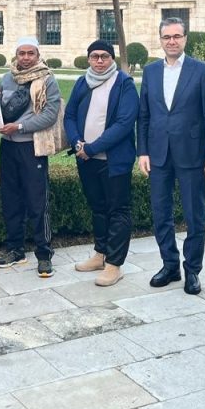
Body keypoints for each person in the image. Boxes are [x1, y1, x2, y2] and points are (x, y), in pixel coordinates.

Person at [137, 17, 205, 296]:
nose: (171, 41)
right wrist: (143, 151)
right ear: (160, 40)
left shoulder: (201, 71)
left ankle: (193, 270)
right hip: (158, 154)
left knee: (194, 215)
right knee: (161, 213)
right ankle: (170, 264)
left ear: (186, 38)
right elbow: (144, 115)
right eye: (166, 37)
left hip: (192, 154)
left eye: (176, 36)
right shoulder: (150, 72)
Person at [63, 40, 139, 287]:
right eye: (94, 56)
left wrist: (92, 148)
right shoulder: (82, 82)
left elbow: (124, 123)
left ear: (112, 58)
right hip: (86, 159)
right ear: (88, 59)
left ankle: (114, 265)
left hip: (114, 161)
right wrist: (77, 143)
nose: (99, 61)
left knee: (118, 210)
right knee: (97, 207)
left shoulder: (124, 84)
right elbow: (70, 114)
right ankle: (99, 253)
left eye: (104, 56)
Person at [0, 37, 62, 277]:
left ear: (37, 54)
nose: (25, 57)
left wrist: (19, 128)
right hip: (8, 147)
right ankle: (15, 249)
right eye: (21, 53)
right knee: (10, 198)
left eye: (30, 53)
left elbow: (50, 115)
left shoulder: (46, 80)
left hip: (32, 147)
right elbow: (1, 111)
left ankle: (44, 254)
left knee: (37, 201)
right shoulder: (7, 78)